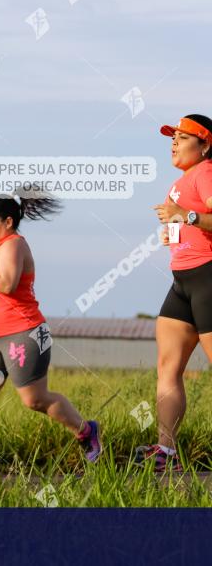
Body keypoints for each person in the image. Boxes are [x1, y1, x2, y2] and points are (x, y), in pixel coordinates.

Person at [0, 192, 102, 475]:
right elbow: (0, 286)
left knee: (34, 399)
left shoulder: (13, 244)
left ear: (8, 221)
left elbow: (7, 283)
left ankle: (86, 432)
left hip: (24, 333)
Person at [146, 113, 212, 471]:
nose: (173, 142)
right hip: (182, 280)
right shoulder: (179, 182)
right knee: (168, 368)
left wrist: (185, 217)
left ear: (205, 145)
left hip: (208, 277)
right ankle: (166, 450)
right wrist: (175, 231)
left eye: (183, 137)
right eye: (172, 136)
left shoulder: (206, 174)